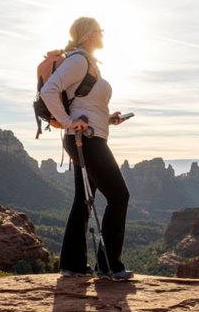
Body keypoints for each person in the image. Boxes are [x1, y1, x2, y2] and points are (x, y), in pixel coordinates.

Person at [40, 17, 133, 281]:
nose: (103, 34)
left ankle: (73, 264)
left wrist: (110, 119)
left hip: (89, 137)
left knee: (83, 200)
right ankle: (108, 265)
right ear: (89, 35)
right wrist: (70, 122)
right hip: (85, 140)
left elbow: (85, 104)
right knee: (119, 196)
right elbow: (49, 91)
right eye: (100, 31)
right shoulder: (78, 60)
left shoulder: (87, 63)